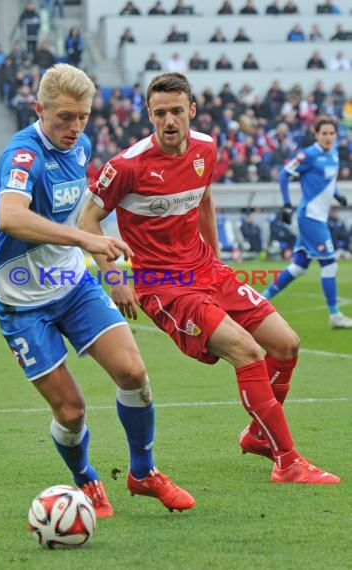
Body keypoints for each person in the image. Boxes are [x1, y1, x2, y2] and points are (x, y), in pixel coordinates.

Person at [79, 72, 340, 485]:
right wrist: (113, 275)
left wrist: (216, 263)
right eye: (160, 113)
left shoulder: (206, 148)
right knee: (247, 351)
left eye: (177, 112)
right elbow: (87, 221)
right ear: (148, 114)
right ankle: (288, 463)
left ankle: (259, 435)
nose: (169, 121)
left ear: (192, 111)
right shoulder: (126, 166)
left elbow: (205, 200)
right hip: (163, 286)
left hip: (206, 271)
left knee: (286, 344)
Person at [0, 64, 195, 519]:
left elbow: (82, 216)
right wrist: (88, 242)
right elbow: (10, 217)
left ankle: (143, 472)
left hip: (70, 282)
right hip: (20, 299)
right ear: (39, 110)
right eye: (64, 117)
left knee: (133, 373)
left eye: (82, 116)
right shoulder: (22, 155)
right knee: (72, 410)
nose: (75, 127)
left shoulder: (79, 147)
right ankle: (86, 480)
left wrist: (112, 272)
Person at [262, 118, 352, 329]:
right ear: (316, 134)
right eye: (325, 133)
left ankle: (260, 300)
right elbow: (284, 176)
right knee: (330, 265)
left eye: (332, 133)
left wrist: (338, 196)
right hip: (310, 218)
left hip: (319, 217)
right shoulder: (308, 155)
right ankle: (335, 315)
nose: (329, 137)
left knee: (299, 266)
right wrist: (286, 204)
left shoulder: (334, 153)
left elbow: (328, 182)